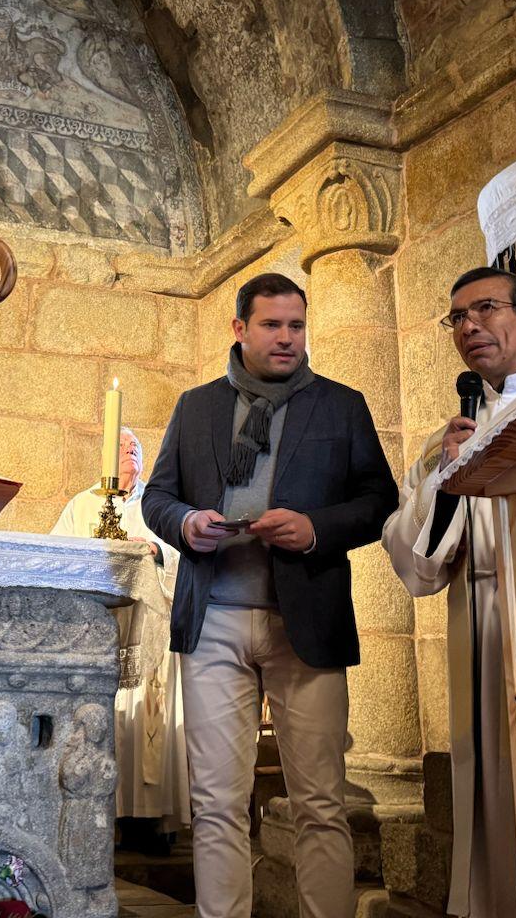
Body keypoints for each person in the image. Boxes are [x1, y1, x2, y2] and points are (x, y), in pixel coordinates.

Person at [142, 272, 398, 918]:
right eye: (272, 325)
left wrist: (315, 529)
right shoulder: (196, 406)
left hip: (305, 617)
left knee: (320, 803)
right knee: (218, 803)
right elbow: (157, 496)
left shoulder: (341, 405)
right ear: (240, 329)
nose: (287, 338)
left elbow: (379, 503)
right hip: (213, 620)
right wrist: (186, 523)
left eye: (296, 325)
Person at [382, 266, 516, 918]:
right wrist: (447, 477)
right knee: (495, 811)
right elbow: (416, 566)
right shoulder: (443, 443)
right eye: (457, 318)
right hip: (482, 626)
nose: (469, 327)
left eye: (485, 309)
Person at [50, 429, 190, 847]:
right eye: (124, 448)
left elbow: (182, 553)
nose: (132, 454)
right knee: (107, 718)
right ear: (106, 458)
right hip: (103, 634)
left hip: (149, 629)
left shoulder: (157, 502)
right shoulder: (83, 505)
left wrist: (155, 550)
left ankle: (152, 821)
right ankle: (102, 814)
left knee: (152, 720)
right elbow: (58, 555)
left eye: (137, 449)